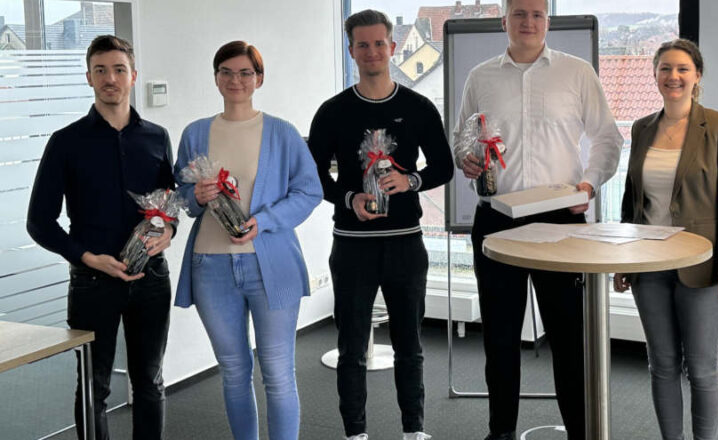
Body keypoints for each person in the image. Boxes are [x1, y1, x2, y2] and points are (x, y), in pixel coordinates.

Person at [454, 0, 623, 438]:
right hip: (497, 219)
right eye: (519, 13)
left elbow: (607, 138)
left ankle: (581, 431)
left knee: (570, 340)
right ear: (503, 19)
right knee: (500, 338)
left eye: (537, 14)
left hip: (561, 221)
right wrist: (468, 160)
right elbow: (462, 139)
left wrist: (588, 185)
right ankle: (501, 432)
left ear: (547, 20)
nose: (528, 22)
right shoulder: (480, 77)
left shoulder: (577, 73)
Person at [307, 9, 454, 440]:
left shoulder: (418, 107)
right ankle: (355, 433)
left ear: (392, 46)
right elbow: (314, 177)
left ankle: (414, 430)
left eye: (379, 43)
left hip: (406, 242)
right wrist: (349, 198)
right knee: (352, 348)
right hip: (352, 244)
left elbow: (443, 166)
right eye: (362, 44)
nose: (372, 52)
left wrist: (410, 180)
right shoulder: (332, 112)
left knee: (410, 344)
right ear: (351, 51)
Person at [26, 35, 175, 440]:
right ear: (89, 78)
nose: (111, 78)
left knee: (150, 382)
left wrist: (170, 232)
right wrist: (87, 257)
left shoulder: (157, 137)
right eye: (101, 70)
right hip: (93, 281)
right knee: (95, 387)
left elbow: (167, 205)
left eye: (119, 69)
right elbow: (39, 222)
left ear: (133, 76)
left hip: (151, 279)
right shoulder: (66, 142)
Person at [173, 41, 323, 440]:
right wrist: (196, 197)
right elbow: (181, 196)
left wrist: (267, 220)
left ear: (259, 78)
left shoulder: (282, 133)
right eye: (226, 71)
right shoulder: (195, 133)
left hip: (270, 264)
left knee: (277, 372)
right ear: (215, 77)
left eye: (244, 72)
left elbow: (309, 191)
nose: (235, 80)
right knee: (234, 372)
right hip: (211, 266)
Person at [613, 38, 718, 440]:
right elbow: (632, 201)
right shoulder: (641, 128)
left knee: (703, 367)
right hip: (649, 267)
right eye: (666, 68)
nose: (674, 76)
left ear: (697, 76)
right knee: (662, 364)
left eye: (683, 69)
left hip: (702, 268)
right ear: (655, 75)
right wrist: (625, 260)